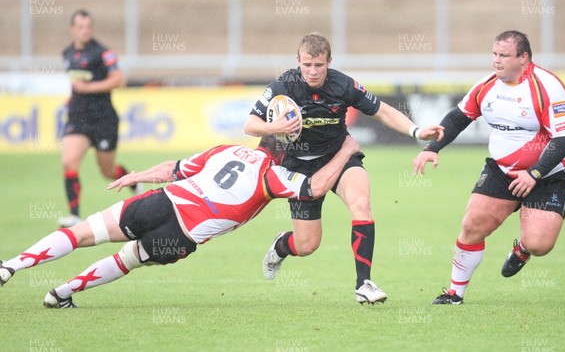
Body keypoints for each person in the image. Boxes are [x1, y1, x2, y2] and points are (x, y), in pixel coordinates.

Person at [0, 135, 360, 308]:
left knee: (81, 233)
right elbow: (313, 188)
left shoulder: (225, 150)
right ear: (282, 155)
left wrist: (135, 174)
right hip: (182, 235)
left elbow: (173, 169)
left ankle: (11, 265)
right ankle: (61, 293)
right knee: (127, 260)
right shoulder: (273, 176)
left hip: (162, 201)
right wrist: (344, 151)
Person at [244, 32, 444, 305]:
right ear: (298, 62)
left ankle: (364, 283)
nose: (312, 71)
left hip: (340, 156)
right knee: (307, 245)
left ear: (329, 62)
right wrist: (274, 128)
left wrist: (417, 130)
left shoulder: (343, 85)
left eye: (319, 65)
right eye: (307, 65)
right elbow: (250, 124)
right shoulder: (284, 85)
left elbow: (383, 111)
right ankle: (281, 246)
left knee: (361, 203)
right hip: (299, 169)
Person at [412, 30, 565, 305]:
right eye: (495, 54)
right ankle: (455, 293)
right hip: (502, 171)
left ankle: (523, 248)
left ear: (523, 58)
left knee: (540, 245)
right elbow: (458, 118)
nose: (497, 61)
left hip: (549, 174)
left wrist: (534, 173)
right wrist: (432, 149)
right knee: (472, 225)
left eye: (504, 55)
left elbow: (564, 139)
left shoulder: (547, 87)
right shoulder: (487, 85)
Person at [58, 9, 140, 228]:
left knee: (107, 171)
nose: (85, 31)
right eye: (80, 27)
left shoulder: (103, 53)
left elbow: (119, 79)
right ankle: (74, 215)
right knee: (69, 161)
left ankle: (133, 182)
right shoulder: (67, 54)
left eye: (88, 27)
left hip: (103, 119)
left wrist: (87, 88)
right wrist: (72, 97)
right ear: (72, 29)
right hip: (78, 119)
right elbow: (76, 84)